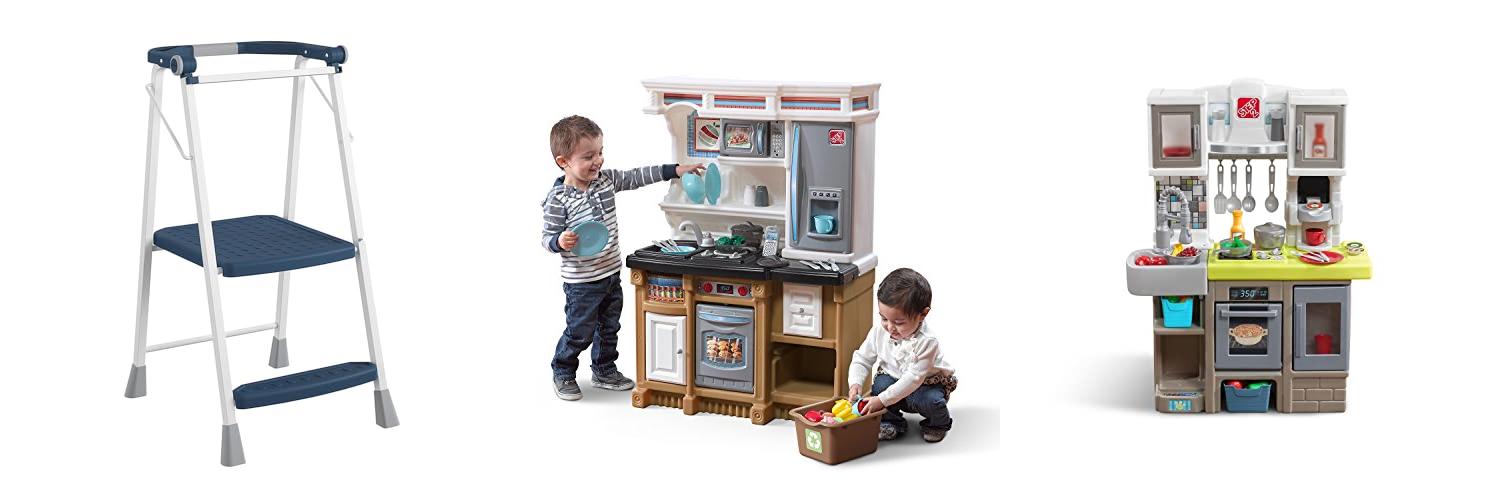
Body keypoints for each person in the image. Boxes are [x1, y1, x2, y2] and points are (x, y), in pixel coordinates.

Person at [540, 115, 703, 401]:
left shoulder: (605, 181)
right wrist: (560, 241)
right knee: (580, 330)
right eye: (588, 156)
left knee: (609, 327)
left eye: (600, 152)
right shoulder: (558, 199)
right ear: (563, 161)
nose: (598, 161)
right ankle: (563, 370)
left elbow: (637, 176)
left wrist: (675, 170)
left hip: (610, 273)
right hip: (582, 282)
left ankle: (604, 370)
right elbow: (547, 238)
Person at [847, 268, 957, 442]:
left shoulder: (928, 342)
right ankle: (891, 422)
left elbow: (913, 378)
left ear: (923, 314)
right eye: (884, 318)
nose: (890, 327)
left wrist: (881, 401)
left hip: (925, 384)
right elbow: (862, 358)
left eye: (899, 322)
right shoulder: (879, 332)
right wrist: (855, 382)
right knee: (879, 387)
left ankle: (937, 424)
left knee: (932, 401)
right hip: (893, 378)